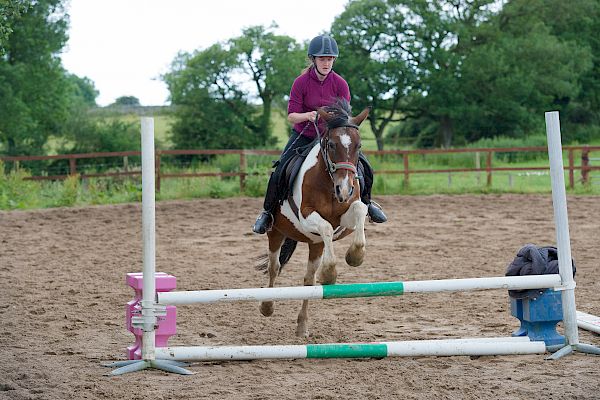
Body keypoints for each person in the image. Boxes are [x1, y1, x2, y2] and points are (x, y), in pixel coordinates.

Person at [252, 34, 387, 234]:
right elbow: (291, 116)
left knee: (364, 166)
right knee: (279, 171)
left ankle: (367, 203)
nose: (326, 63)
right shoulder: (301, 82)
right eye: (322, 59)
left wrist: (334, 121)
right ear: (313, 59)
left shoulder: (340, 83)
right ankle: (267, 213)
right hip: (304, 135)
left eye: (330, 59)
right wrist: (307, 115)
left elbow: (345, 116)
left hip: (333, 137)